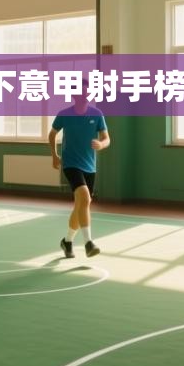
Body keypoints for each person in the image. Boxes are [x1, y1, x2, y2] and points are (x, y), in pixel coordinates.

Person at [50, 92, 110, 258]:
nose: (85, 96)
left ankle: (67, 241)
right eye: (81, 93)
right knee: (84, 197)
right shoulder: (64, 114)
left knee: (81, 205)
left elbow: (106, 138)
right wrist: (54, 155)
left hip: (89, 167)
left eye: (87, 93)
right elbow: (52, 134)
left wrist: (101, 144)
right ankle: (88, 243)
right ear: (74, 95)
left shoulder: (97, 114)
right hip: (70, 164)